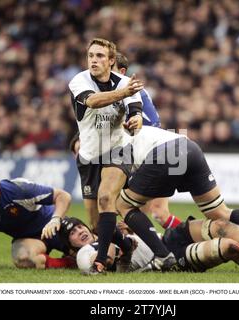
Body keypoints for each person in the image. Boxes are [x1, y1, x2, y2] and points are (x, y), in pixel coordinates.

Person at [116, 126, 239, 270]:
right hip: (187, 146)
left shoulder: (109, 149)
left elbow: (148, 211)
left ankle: (162, 256)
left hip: (162, 156)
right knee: (221, 216)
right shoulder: (135, 122)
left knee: (128, 206)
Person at [69, 38, 169, 274]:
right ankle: (127, 245)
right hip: (89, 155)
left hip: (118, 150)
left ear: (111, 60)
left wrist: (134, 122)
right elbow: (92, 101)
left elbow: (135, 116)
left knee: (107, 199)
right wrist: (123, 92)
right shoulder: (79, 80)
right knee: (96, 224)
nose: (94, 60)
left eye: (100, 56)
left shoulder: (126, 83)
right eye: (91, 55)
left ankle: (100, 262)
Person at [68, 53, 181, 230]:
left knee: (143, 211)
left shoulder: (130, 93)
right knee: (125, 210)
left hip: (152, 153)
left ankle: (183, 239)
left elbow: (137, 128)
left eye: (110, 71)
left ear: (121, 72)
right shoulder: (115, 94)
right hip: (143, 152)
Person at [62, 216, 239, 274]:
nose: (79, 232)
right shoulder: (105, 263)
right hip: (169, 262)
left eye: (78, 227)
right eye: (72, 233)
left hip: (168, 240)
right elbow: (122, 248)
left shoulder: (104, 235)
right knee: (228, 247)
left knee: (220, 224)